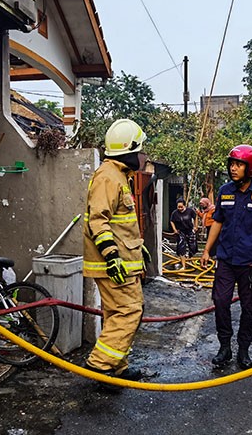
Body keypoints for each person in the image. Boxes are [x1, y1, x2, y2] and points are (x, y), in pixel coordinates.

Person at [82, 118, 148, 383]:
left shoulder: (118, 175)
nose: (143, 156)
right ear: (129, 151)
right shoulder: (108, 177)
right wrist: (112, 256)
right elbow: (98, 219)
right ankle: (100, 365)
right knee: (129, 311)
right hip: (114, 264)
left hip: (125, 261)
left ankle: (117, 366)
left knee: (115, 314)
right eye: (140, 150)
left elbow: (122, 225)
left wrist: (138, 251)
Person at [200, 145, 252, 370]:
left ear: (250, 168)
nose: (233, 168)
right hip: (226, 261)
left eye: (239, 164)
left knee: (248, 307)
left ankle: (243, 350)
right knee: (220, 302)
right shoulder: (225, 191)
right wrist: (206, 249)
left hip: (250, 263)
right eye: (232, 163)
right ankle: (225, 347)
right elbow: (218, 221)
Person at [170, 198, 197, 268]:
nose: (180, 208)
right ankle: (184, 265)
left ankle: (190, 261)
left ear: (184, 206)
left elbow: (195, 217)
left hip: (190, 230)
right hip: (180, 231)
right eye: (178, 207)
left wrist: (195, 226)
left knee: (192, 246)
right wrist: (174, 229)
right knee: (181, 248)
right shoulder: (175, 213)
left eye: (181, 207)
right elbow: (172, 221)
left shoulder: (190, 211)